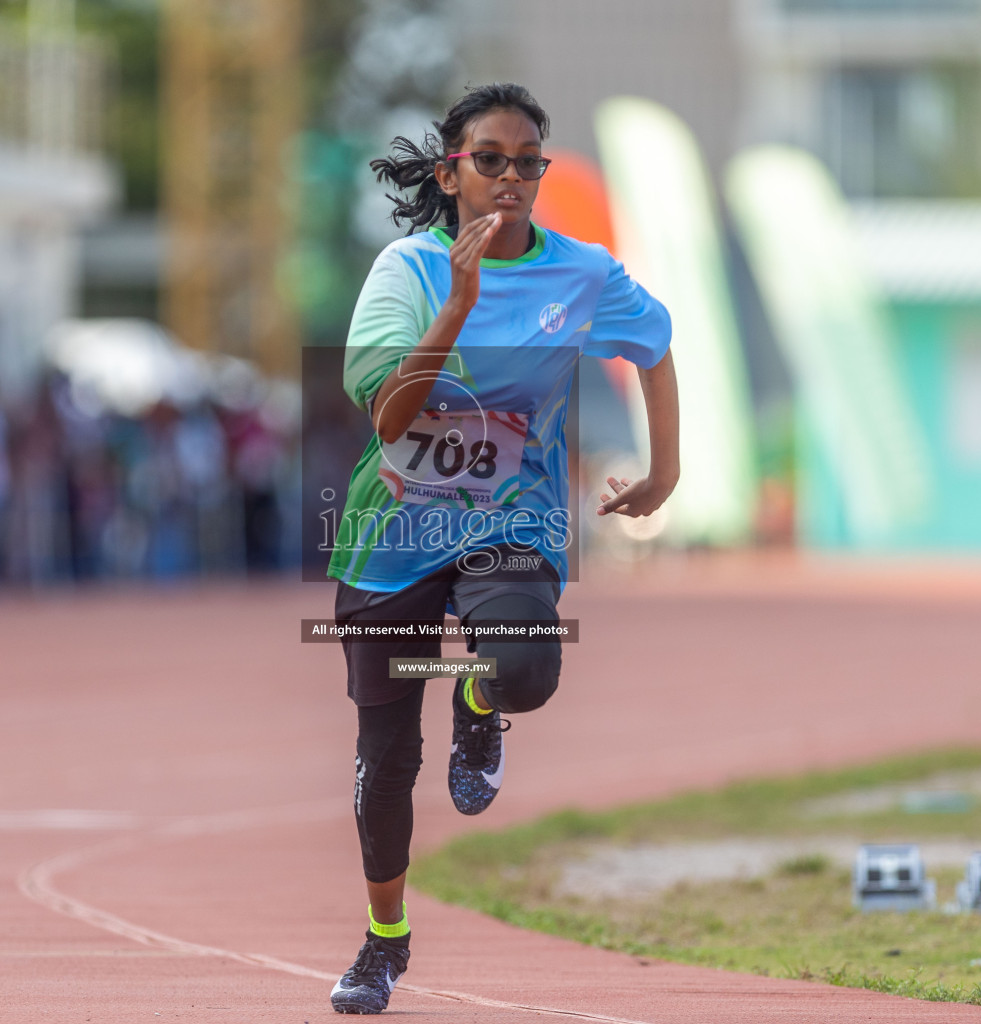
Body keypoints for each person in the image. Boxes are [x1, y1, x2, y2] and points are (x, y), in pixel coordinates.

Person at [326, 82, 681, 1014]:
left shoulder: (582, 274)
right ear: (452, 173)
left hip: (510, 525)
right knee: (384, 759)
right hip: (394, 538)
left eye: (529, 162)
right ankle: (384, 941)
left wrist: (664, 471)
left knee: (527, 668)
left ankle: (480, 700)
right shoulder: (404, 272)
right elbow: (394, 418)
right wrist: (460, 302)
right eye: (491, 160)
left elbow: (655, 342)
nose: (512, 178)